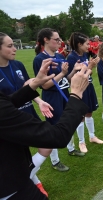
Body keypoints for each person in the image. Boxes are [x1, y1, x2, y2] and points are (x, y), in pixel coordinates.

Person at [0, 58, 91, 200]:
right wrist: (76, 95)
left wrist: (35, 83)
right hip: (11, 190)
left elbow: (6, 102)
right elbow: (57, 136)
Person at [0, 32, 53, 196]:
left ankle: (30, 179)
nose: (15, 48)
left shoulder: (18, 65)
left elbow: (29, 88)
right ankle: (31, 181)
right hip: (10, 123)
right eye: (10, 46)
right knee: (19, 157)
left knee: (41, 148)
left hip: (27, 113)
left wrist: (40, 101)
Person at [33, 28, 85, 172]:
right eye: (56, 39)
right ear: (46, 40)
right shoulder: (39, 59)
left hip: (64, 94)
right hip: (52, 98)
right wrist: (62, 73)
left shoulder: (60, 56)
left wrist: (73, 70)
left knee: (69, 122)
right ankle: (55, 161)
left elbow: (66, 80)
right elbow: (44, 85)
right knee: (54, 128)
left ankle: (71, 148)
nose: (59, 42)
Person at [66, 32, 103, 153]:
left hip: (88, 86)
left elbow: (87, 72)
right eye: (87, 44)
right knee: (81, 116)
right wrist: (90, 67)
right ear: (79, 44)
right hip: (80, 90)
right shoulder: (72, 57)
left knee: (89, 112)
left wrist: (90, 66)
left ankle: (92, 136)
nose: (89, 46)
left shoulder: (85, 54)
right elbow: (72, 77)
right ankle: (81, 142)